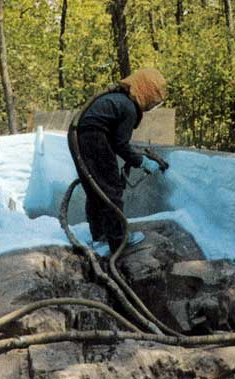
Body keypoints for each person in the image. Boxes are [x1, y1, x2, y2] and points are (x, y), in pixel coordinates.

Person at [72, 68, 167, 254]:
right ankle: (119, 240)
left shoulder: (116, 99)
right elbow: (121, 144)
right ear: (146, 91)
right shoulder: (128, 107)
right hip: (93, 137)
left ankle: (100, 237)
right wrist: (142, 162)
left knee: (95, 190)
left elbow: (117, 140)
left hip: (78, 137)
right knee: (109, 189)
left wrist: (136, 157)